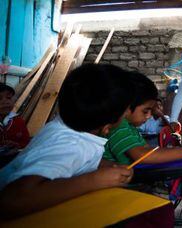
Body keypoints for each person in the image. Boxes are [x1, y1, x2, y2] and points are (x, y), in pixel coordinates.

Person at [0, 64, 136, 219]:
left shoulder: (62, 126)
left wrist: (104, 165)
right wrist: (95, 180)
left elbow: (75, 160)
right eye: (126, 111)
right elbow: (12, 201)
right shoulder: (71, 145)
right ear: (106, 128)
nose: (127, 113)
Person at [103, 71, 182, 166]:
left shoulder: (131, 127)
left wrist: (178, 150)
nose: (148, 116)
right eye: (145, 111)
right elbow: (142, 155)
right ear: (128, 106)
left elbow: (149, 150)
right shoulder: (119, 126)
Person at [0, 83, 30, 149]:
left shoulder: (19, 121)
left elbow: (26, 143)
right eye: (0, 98)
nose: (6, 102)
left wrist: (17, 145)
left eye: (9, 98)